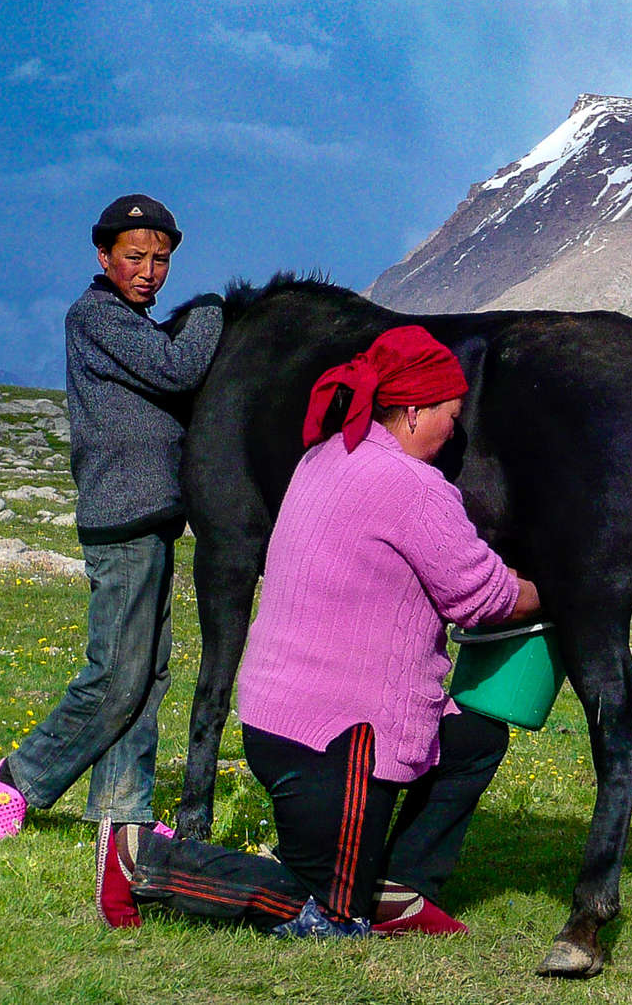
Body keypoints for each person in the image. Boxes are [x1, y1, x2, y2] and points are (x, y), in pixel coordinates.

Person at [93, 325, 540, 938]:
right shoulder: (412, 488)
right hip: (344, 739)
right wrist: (552, 591)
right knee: (329, 912)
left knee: (476, 741)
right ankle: (144, 862)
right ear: (413, 410)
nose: (454, 430)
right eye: (450, 414)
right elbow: (483, 597)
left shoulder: (327, 456)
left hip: (279, 719)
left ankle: (401, 889)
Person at [0, 193, 224, 839]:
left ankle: (121, 812)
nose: (149, 270)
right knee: (116, 674)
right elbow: (179, 368)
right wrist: (208, 311)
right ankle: (22, 776)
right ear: (104, 255)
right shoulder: (94, 316)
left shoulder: (133, 321)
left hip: (151, 521)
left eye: (161, 259)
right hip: (122, 522)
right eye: (135, 257)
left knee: (146, 675)